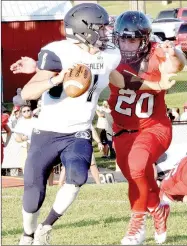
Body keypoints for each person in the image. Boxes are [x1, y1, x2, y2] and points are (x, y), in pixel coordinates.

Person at [10, 6, 178, 245]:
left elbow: (120, 80)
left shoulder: (107, 54)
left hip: (79, 131)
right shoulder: (57, 52)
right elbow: (28, 91)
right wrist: (54, 79)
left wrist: (156, 84)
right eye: (100, 28)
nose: (105, 33)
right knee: (33, 194)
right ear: (84, 30)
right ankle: (27, 234)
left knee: (78, 177)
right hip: (47, 130)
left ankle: (46, 226)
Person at [108, 11, 186, 245]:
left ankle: (136, 227)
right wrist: (155, 84)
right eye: (122, 39)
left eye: (132, 40)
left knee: (138, 166)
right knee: (135, 177)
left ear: (144, 39)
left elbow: (176, 66)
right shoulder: (110, 56)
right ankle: (157, 206)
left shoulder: (155, 51)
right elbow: (118, 79)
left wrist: (176, 53)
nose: (126, 44)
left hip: (154, 127)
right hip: (123, 129)